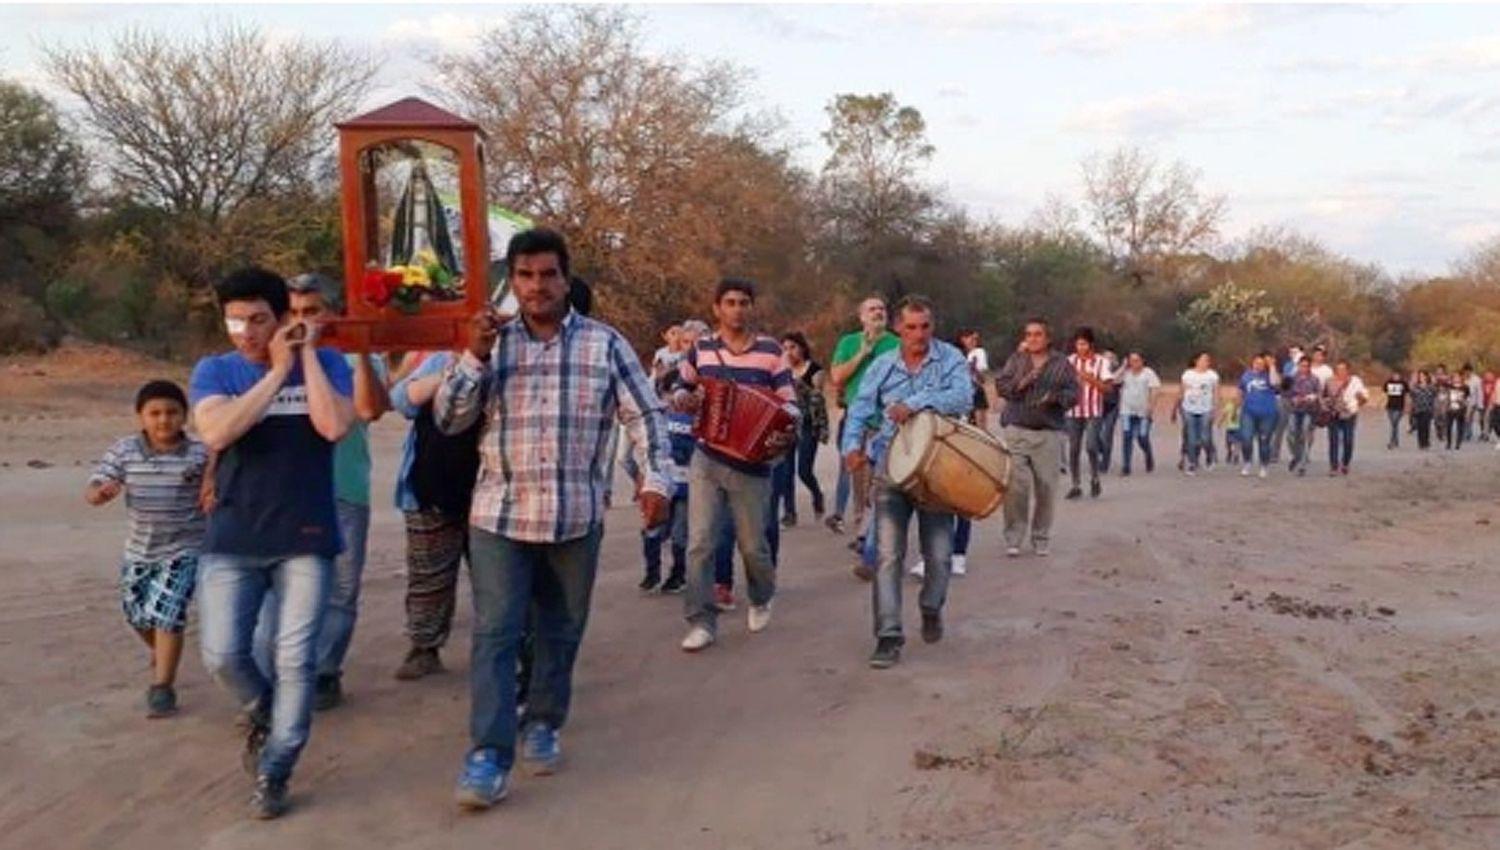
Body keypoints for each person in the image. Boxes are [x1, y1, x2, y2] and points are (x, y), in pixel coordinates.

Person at [436, 229, 674, 810]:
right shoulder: (492, 343)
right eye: (525, 276)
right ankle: (488, 756)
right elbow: (449, 419)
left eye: (547, 275)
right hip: (500, 514)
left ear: (566, 279)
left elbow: (646, 416)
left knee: (561, 630)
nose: (537, 286)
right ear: (512, 282)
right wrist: (474, 357)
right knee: (495, 633)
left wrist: (656, 478)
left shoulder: (604, 345)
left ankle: (542, 721)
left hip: (574, 516)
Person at [190, 267, 355, 819]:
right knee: (222, 654)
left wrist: (303, 360)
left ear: (283, 317)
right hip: (233, 536)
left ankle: (276, 769)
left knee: (295, 658)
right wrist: (274, 372)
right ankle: (265, 710)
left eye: (259, 320)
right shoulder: (215, 370)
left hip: (305, 536)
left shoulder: (328, 364)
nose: (247, 333)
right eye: (235, 321)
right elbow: (216, 432)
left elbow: (334, 427)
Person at [252, 273, 390, 712]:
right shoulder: (275, 358)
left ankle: (326, 670)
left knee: (341, 588)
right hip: (288, 489)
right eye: (293, 312)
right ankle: (271, 677)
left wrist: (363, 350)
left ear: (333, 313)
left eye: (312, 311)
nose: (302, 320)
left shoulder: (352, 361)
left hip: (345, 485)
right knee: (276, 586)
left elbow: (369, 409)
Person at [842, 297, 972, 669]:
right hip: (890, 467)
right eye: (911, 327)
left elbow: (963, 396)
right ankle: (888, 635)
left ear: (933, 326)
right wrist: (852, 447)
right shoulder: (881, 366)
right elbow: (860, 409)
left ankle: (931, 607)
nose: (919, 335)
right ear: (898, 328)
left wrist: (916, 402)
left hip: (937, 468)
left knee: (941, 554)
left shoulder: (950, 358)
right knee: (887, 555)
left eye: (925, 327)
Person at [676, 278, 799, 653]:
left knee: (752, 547)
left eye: (744, 302)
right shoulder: (702, 349)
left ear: (752, 307)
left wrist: (783, 431)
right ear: (717, 308)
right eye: (729, 302)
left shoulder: (771, 352)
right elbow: (677, 388)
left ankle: (762, 594)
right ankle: (701, 620)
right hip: (707, 456)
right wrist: (686, 399)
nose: (737, 309)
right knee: (699, 543)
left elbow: (790, 404)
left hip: (753, 465)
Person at [86, 380, 210, 718]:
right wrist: (100, 493)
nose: (163, 420)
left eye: (172, 412)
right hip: (139, 551)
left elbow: (219, 485)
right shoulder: (125, 450)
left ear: (185, 416)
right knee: (137, 615)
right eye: (154, 413)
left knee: (169, 616)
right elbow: (96, 485)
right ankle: (161, 651)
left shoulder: (200, 453)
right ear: (140, 417)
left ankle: (162, 687)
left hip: (185, 548)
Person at [387, 350, 478, 681]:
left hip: (491, 494)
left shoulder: (515, 360)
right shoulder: (443, 361)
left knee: (497, 579)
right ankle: (424, 647)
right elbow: (401, 400)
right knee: (429, 578)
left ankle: (504, 648)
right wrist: (456, 372)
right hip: (429, 489)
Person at [994, 318, 1079, 557]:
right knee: (1015, 487)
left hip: (1047, 433)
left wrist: (1055, 398)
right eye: (1029, 334)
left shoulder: (1061, 364)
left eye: (1038, 334)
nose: (1032, 338)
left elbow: (1074, 394)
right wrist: (1022, 383)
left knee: (1046, 488)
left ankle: (1041, 536)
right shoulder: (1017, 360)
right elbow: (1002, 385)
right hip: (1017, 429)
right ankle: (1013, 536)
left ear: (1048, 338)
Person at [826, 297, 898, 536]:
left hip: (887, 422)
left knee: (883, 484)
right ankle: (862, 531)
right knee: (858, 479)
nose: (878, 312)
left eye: (881, 308)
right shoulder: (848, 342)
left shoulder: (896, 344)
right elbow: (836, 378)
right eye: (872, 309)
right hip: (857, 422)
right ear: (862, 317)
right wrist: (862, 353)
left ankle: (875, 536)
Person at [773, 331, 829, 527]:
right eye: (785, 349)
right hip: (787, 424)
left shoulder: (814, 370)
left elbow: (816, 397)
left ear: (802, 348)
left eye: (793, 347)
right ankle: (789, 513)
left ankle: (817, 494)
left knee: (804, 470)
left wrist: (795, 380)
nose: (789, 352)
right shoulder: (780, 371)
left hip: (807, 424)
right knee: (785, 470)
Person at [1064, 327, 1112, 499]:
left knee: (1091, 445)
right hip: (1073, 410)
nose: (1081, 347)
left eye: (1084, 344)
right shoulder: (1069, 361)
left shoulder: (1101, 362)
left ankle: (1094, 477)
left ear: (1091, 344)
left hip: (1093, 409)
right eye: (1078, 344)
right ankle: (1075, 484)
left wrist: (1090, 379)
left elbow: (1108, 388)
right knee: (1074, 448)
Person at [1116, 351, 1160, 476]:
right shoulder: (1125, 373)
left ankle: (1148, 454)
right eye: (1131, 360)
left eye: (1137, 360)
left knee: (1142, 436)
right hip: (1126, 410)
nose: (1134, 363)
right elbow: (1113, 380)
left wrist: (1151, 407)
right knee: (1127, 436)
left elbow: (1155, 390)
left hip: (1143, 411)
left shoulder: (1149, 373)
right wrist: (1123, 367)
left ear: (1142, 361)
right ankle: (1126, 466)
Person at [1237, 352, 1279, 478]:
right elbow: (1240, 390)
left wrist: (1272, 366)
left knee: (1264, 440)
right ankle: (1247, 462)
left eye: (1261, 364)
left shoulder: (1270, 375)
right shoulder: (1246, 375)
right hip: (1248, 412)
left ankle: (1263, 465)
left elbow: (1275, 383)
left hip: (1268, 413)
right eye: (1256, 363)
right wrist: (1237, 408)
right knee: (1246, 438)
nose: (1258, 366)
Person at [1323, 360, 1368, 475]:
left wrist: (1359, 400)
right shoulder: (1329, 381)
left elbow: (1364, 398)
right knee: (1333, 440)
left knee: (1348, 440)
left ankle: (1345, 463)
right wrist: (1327, 405)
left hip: (1349, 414)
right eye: (1338, 369)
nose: (1340, 372)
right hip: (1334, 414)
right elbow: (1324, 396)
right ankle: (1333, 466)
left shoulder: (1355, 381)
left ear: (1348, 370)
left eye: (1343, 369)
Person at [1179, 352, 1220, 475]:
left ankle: (1210, 454)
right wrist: (1178, 407)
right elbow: (1182, 391)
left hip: (1206, 408)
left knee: (1205, 437)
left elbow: (1216, 393)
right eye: (1203, 359)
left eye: (1207, 360)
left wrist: (1215, 409)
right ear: (1196, 361)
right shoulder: (1187, 374)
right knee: (1191, 438)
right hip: (1189, 408)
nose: (1205, 362)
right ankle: (1192, 463)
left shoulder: (1212, 375)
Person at [1285, 357, 1322, 476]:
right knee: (1291, 434)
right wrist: (1293, 398)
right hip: (1294, 409)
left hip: (1308, 410)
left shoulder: (1314, 379)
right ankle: (1296, 455)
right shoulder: (1292, 378)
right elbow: (1285, 392)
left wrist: (1312, 397)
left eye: (1306, 366)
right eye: (1302, 366)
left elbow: (1319, 393)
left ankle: (1302, 464)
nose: (1304, 368)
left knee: (1305, 434)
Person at [1097, 350, 1122, 473]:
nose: (1108, 360)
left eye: (1111, 358)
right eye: (1105, 357)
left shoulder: (1120, 373)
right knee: (1095, 435)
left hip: (1112, 406)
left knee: (1107, 435)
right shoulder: (1098, 371)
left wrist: (1123, 367)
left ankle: (1105, 463)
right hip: (1098, 406)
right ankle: (1101, 450)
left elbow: (1114, 380)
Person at [1409, 369, 1437, 451]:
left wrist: (1433, 380)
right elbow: (1411, 395)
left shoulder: (1430, 387)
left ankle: (1426, 442)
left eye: (1423, 376)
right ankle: (1421, 443)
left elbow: (1435, 394)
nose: (1422, 378)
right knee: (1420, 426)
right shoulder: (1416, 387)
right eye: (1420, 376)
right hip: (1418, 408)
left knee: (1426, 425)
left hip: (1428, 408)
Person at [1442, 373, 1470, 450]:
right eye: (1455, 377)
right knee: (1448, 427)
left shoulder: (1465, 387)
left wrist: (1466, 407)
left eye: (1458, 377)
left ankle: (1458, 443)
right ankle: (1448, 443)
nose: (1456, 378)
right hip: (1450, 409)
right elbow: (1444, 394)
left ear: (1461, 378)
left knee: (1459, 427)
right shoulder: (1449, 386)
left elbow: (1468, 399)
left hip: (1460, 409)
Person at [1382, 370, 1409, 450]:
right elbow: (1384, 392)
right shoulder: (1388, 382)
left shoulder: (1403, 383)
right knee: (1394, 424)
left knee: (1394, 423)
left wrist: (1406, 406)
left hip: (1400, 407)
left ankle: (1392, 442)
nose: (1396, 376)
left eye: (1397, 375)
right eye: (1394, 375)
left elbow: (1407, 395)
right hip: (1390, 406)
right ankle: (1396, 441)